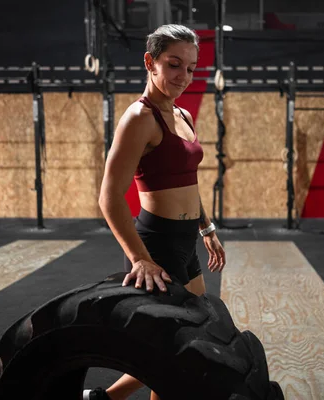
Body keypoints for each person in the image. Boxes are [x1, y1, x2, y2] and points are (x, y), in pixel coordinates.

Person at [92, 24, 227, 400]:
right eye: (173, 65)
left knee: (194, 339)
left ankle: (105, 399)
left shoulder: (183, 115)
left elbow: (188, 181)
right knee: (176, 350)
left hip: (186, 241)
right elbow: (109, 197)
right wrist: (140, 260)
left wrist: (206, 227)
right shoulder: (140, 118)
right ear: (150, 62)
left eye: (191, 67)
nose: (184, 76)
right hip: (156, 244)